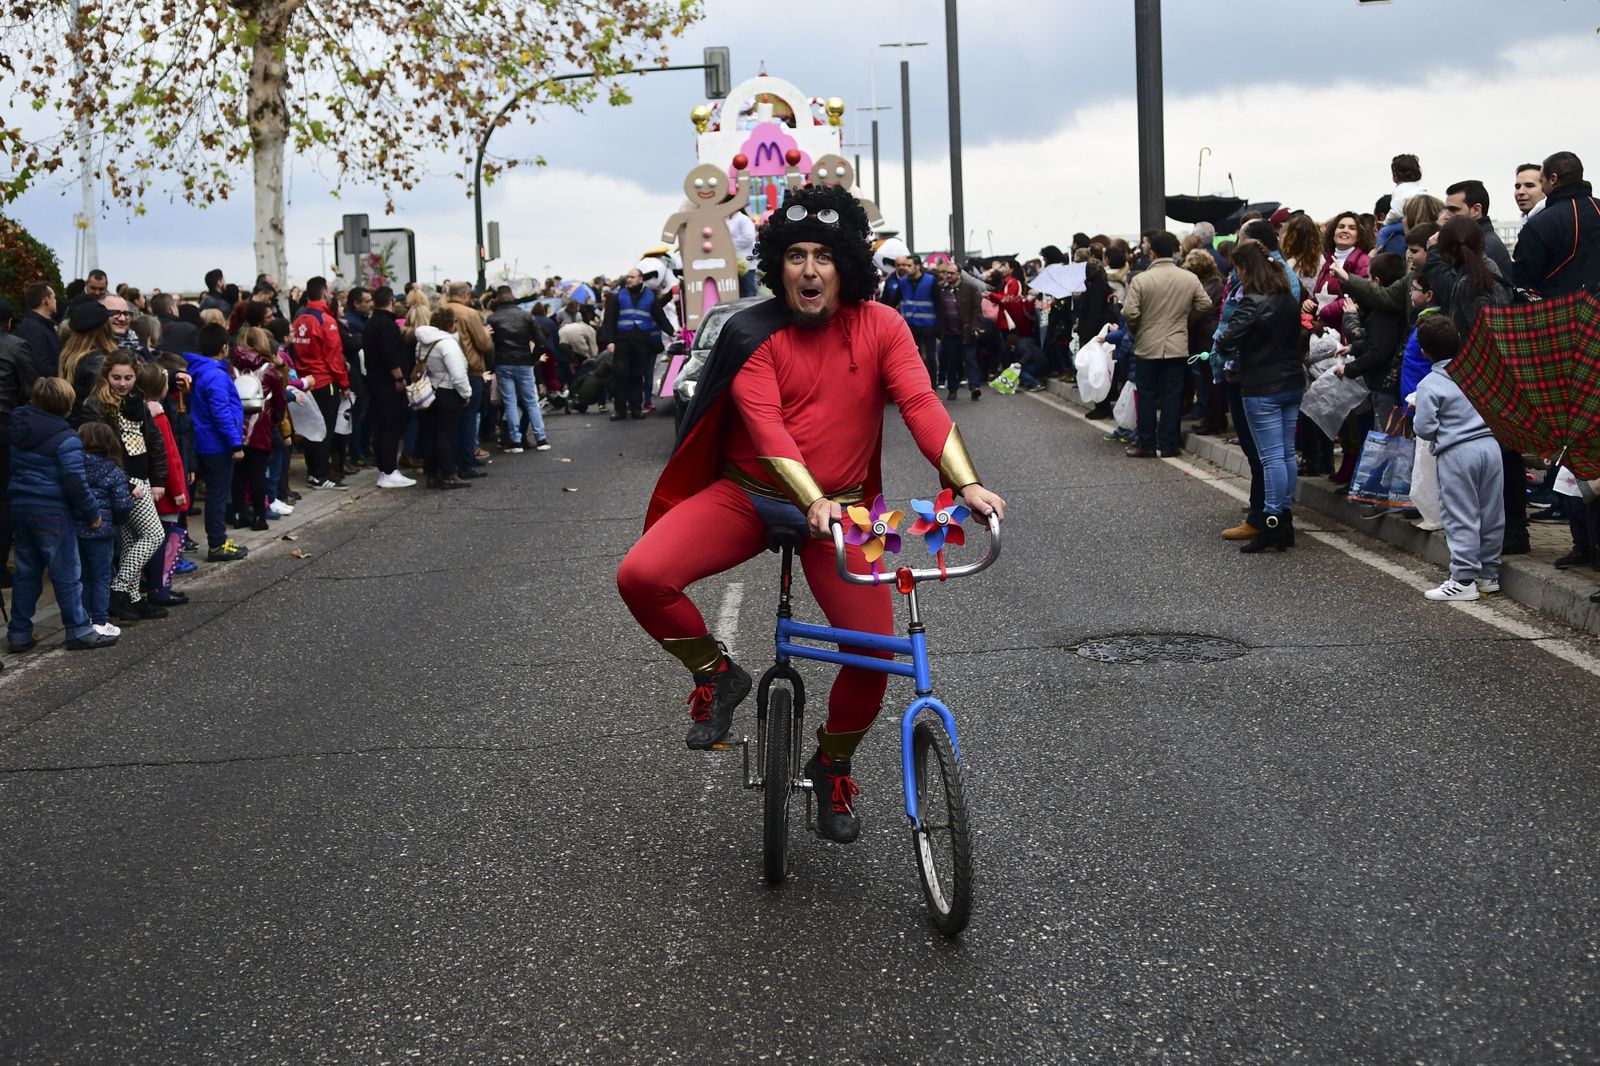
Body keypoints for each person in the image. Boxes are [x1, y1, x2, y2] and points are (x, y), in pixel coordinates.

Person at [615, 182, 1006, 844]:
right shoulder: (752, 332)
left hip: (846, 514)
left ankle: (832, 764)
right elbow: (767, 428)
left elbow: (919, 402)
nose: (809, 269)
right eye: (795, 255)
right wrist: (809, 497)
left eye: (823, 256)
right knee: (641, 575)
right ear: (779, 266)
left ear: (845, 264)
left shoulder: (883, 326)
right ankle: (717, 675)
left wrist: (965, 483)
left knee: (875, 652)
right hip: (748, 494)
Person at [6, 376, 116, 652]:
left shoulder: (17, 426)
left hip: (20, 504)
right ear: (67, 406)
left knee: (26, 571)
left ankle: (19, 632)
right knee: (66, 570)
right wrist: (92, 511)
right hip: (52, 510)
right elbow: (74, 481)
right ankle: (78, 629)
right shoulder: (66, 439)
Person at [1215, 241, 1304, 553]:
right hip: (1292, 380)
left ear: (1244, 268)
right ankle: (1284, 519)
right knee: (1286, 453)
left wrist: (1227, 346)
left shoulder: (1252, 301)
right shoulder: (1287, 296)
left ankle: (1271, 521)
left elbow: (1226, 340)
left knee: (1271, 458)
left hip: (1262, 385)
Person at [73, 351, 172, 619]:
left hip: (142, 477)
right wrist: (126, 484)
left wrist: (158, 479)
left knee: (131, 542)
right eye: (116, 377)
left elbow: (153, 440)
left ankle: (133, 597)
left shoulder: (136, 399)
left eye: (128, 377)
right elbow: (97, 451)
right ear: (106, 375)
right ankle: (118, 590)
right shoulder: (95, 405)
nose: (122, 383)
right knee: (154, 535)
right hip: (123, 482)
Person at [1411, 316, 1503, 601]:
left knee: (1461, 514)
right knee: (1491, 513)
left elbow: (1424, 428)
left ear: (1424, 351)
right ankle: (1489, 574)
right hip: (1490, 447)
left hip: (1457, 452)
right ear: (1460, 341)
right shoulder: (1478, 374)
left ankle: (1463, 579)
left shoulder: (1429, 384)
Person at [1121, 230, 1214, 458]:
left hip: (1147, 344)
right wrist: (1186, 319)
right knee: (1173, 394)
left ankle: (1146, 443)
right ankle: (1169, 444)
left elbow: (1129, 312)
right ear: (1173, 251)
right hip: (1177, 342)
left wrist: (1138, 327)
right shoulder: (1188, 278)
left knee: (1147, 394)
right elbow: (1205, 303)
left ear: (1152, 253)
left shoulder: (1141, 280)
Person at [185, 323, 249, 562]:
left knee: (200, 494)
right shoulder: (216, 375)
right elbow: (221, 412)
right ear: (224, 348)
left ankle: (186, 540)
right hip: (216, 444)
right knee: (217, 495)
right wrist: (235, 443)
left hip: (200, 440)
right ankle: (217, 544)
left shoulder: (198, 370)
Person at [134, 361, 191, 607]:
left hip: (150, 487)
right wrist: (178, 490)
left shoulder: (139, 413)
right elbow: (168, 456)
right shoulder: (159, 417)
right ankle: (159, 588)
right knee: (161, 539)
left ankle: (150, 583)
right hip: (165, 491)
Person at [74, 421, 134, 636]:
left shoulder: (74, 468)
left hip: (76, 530)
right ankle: (100, 620)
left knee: (82, 577)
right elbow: (123, 505)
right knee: (101, 576)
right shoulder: (113, 470)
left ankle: (83, 619)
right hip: (102, 532)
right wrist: (116, 521)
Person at [1513, 151, 1600, 298]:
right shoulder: (1595, 208)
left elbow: (1523, 281)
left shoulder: (1540, 224)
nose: (1520, 192)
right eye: (1517, 186)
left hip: (1563, 307)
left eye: (1541, 181)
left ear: (1553, 179)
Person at [599, 267, 673, 421]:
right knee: (620, 376)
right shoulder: (617, 296)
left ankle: (636, 409)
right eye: (628, 277)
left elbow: (660, 317)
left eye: (632, 277)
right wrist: (610, 341)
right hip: (622, 342)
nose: (629, 280)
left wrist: (673, 332)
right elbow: (609, 321)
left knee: (637, 376)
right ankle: (620, 410)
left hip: (641, 342)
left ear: (640, 279)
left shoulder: (650, 297)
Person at [412, 308, 473, 490]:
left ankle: (432, 474)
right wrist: (466, 393)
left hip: (429, 392)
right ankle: (449, 475)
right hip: (447, 392)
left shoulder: (422, 343)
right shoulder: (448, 344)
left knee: (430, 434)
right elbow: (458, 374)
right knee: (445, 435)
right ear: (449, 324)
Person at [487, 285, 551, 452]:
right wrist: (532, 359)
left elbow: (489, 346)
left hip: (503, 362)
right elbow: (541, 341)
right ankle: (541, 438)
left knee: (510, 402)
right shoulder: (526, 316)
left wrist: (493, 366)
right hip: (524, 362)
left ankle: (515, 441)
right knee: (531, 402)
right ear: (513, 297)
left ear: (498, 299)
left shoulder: (493, 318)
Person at [362, 287, 416, 487]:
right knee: (391, 426)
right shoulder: (387, 325)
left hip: (374, 381)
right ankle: (390, 470)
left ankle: (384, 470)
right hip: (388, 383)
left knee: (380, 427)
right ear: (392, 301)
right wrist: (399, 378)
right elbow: (390, 354)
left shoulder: (370, 323)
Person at [1440, 179, 1513, 280]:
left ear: (1476, 210)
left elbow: (1462, 287)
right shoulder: (1477, 242)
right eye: (1446, 210)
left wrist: (1434, 257)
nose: (1446, 216)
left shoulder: (1483, 246)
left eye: (1453, 210)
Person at [936, 260, 985, 401]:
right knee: (951, 362)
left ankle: (975, 387)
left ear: (959, 274)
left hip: (967, 332)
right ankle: (952, 389)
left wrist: (975, 327)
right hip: (949, 334)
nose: (948, 276)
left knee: (970, 359)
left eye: (951, 273)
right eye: (946, 273)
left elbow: (977, 310)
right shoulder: (941, 289)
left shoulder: (970, 289)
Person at [895, 254, 940, 385]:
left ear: (918, 266)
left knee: (931, 358)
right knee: (914, 359)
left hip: (928, 326)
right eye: (905, 265)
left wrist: (939, 328)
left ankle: (932, 387)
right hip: (910, 327)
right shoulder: (903, 282)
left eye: (909, 265)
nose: (906, 268)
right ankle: (918, 385)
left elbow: (939, 305)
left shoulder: (931, 281)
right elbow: (893, 301)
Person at [16, 281, 61, 380]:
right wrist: (61, 374)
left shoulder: (41, 325)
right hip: (44, 386)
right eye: (54, 297)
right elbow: (40, 367)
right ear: (46, 300)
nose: (56, 301)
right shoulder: (33, 328)